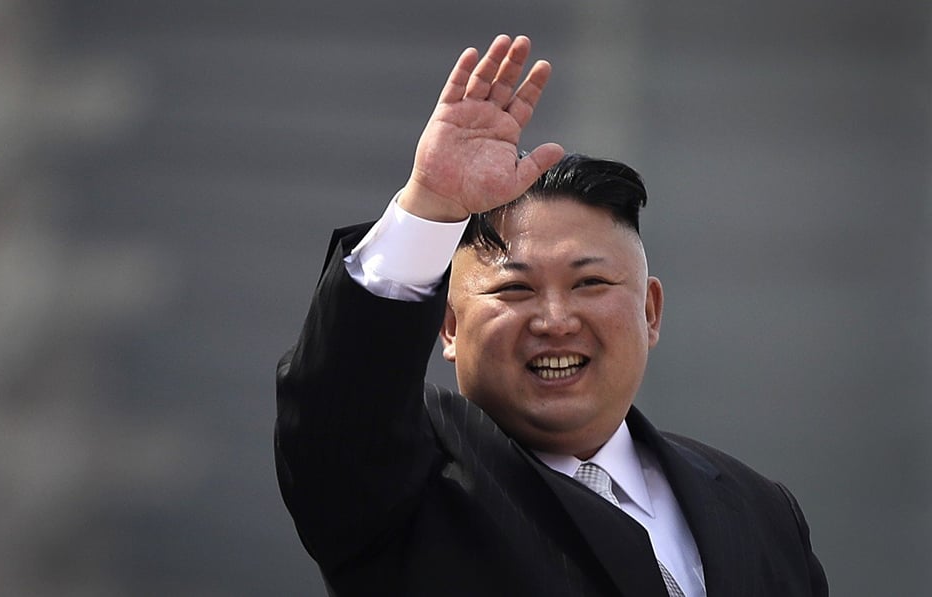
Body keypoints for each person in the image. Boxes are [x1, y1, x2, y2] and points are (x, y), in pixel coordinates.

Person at [276, 34, 827, 597]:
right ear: (450, 325)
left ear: (650, 310)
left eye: (590, 283)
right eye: (515, 290)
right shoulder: (407, 480)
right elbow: (340, 406)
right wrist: (431, 205)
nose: (556, 319)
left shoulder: (759, 510)